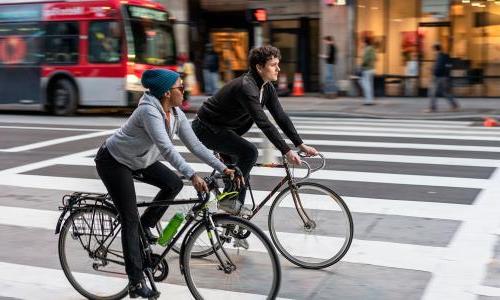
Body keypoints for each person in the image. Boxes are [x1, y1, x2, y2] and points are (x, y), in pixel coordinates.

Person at [95, 69, 237, 298]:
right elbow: (166, 149)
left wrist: (223, 168)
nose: (185, 91)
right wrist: (192, 174)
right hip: (114, 161)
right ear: (166, 93)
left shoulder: (176, 113)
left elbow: (196, 145)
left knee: (172, 184)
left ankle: (146, 226)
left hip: (141, 160)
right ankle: (135, 282)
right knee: (129, 219)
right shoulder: (149, 112)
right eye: (180, 87)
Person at [192, 45, 318, 217]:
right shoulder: (247, 87)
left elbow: (280, 116)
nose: (278, 69)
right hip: (206, 128)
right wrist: (286, 151)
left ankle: (232, 224)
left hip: (225, 129)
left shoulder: (266, 88)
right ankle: (228, 202)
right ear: (259, 67)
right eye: (273, 65)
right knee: (249, 152)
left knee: (243, 172)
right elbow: (263, 122)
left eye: (278, 64)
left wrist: (300, 144)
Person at [426, 44, 459, 113]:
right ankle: (454, 105)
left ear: (435, 50)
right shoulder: (444, 56)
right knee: (445, 92)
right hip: (445, 77)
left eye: (433, 50)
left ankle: (432, 108)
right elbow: (448, 66)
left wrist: (433, 72)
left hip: (439, 77)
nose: (433, 52)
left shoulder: (440, 57)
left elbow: (439, 68)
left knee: (432, 93)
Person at [359, 36, 376, 105]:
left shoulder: (367, 49)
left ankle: (368, 101)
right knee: (370, 85)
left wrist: (361, 65)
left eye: (363, 42)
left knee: (366, 85)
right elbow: (374, 58)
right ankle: (370, 100)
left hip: (367, 69)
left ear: (365, 42)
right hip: (372, 69)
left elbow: (366, 59)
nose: (362, 43)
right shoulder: (372, 49)